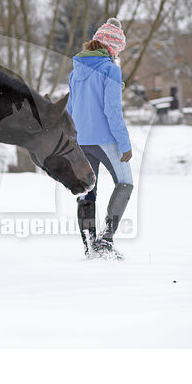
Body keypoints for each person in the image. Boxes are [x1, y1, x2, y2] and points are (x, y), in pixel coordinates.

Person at [67, 18, 133, 260]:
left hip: (82, 141)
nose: (117, 55)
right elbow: (112, 111)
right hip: (106, 139)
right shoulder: (110, 70)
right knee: (125, 182)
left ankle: (89, 247)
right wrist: (124, 144)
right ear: (111, 47)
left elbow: (71, 110)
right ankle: (105, 241)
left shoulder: (75, 73)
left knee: (87, 190)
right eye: (118, 50)